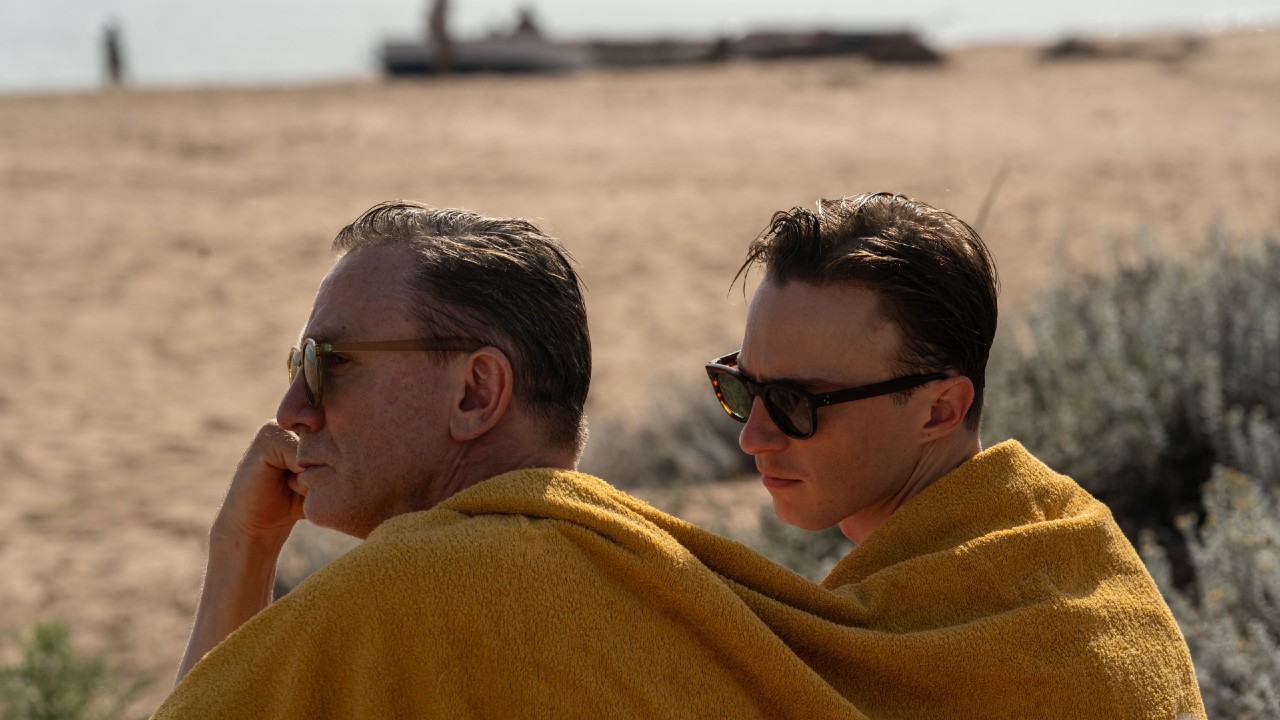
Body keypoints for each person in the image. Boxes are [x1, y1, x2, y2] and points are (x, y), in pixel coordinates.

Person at [702, 191, 1206, 717]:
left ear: (939, 411)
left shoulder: (1051, 637)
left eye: (793, 403)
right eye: (741, 387)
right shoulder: (1068, 550)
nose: (752, 438)